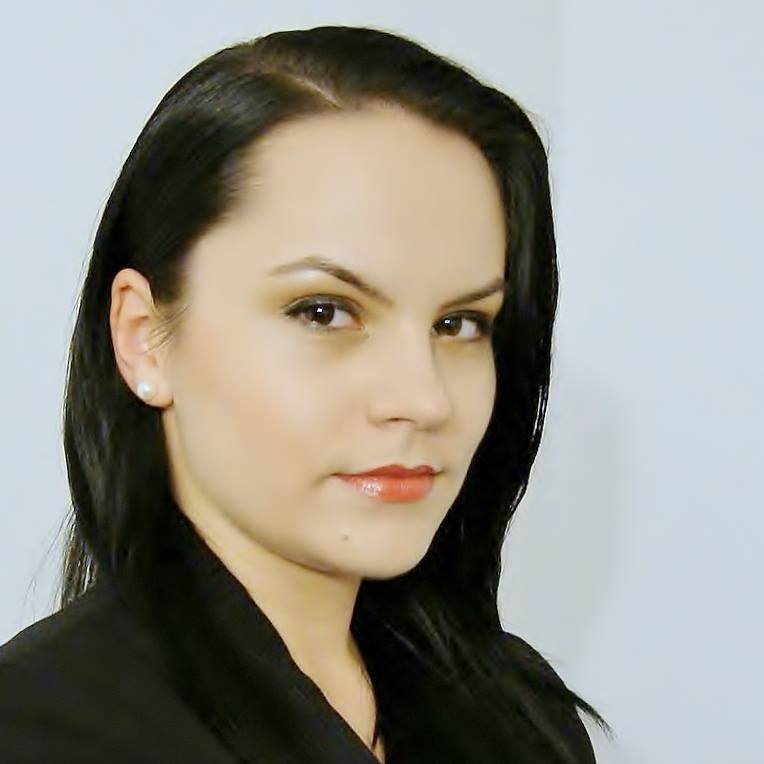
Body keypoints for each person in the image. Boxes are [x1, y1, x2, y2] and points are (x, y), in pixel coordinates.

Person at [0, 24, 613, 763]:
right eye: (323, 312)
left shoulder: (518, 714)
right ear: (143, 337)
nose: (423, 399)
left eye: (460, 323)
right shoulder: (36, 731)